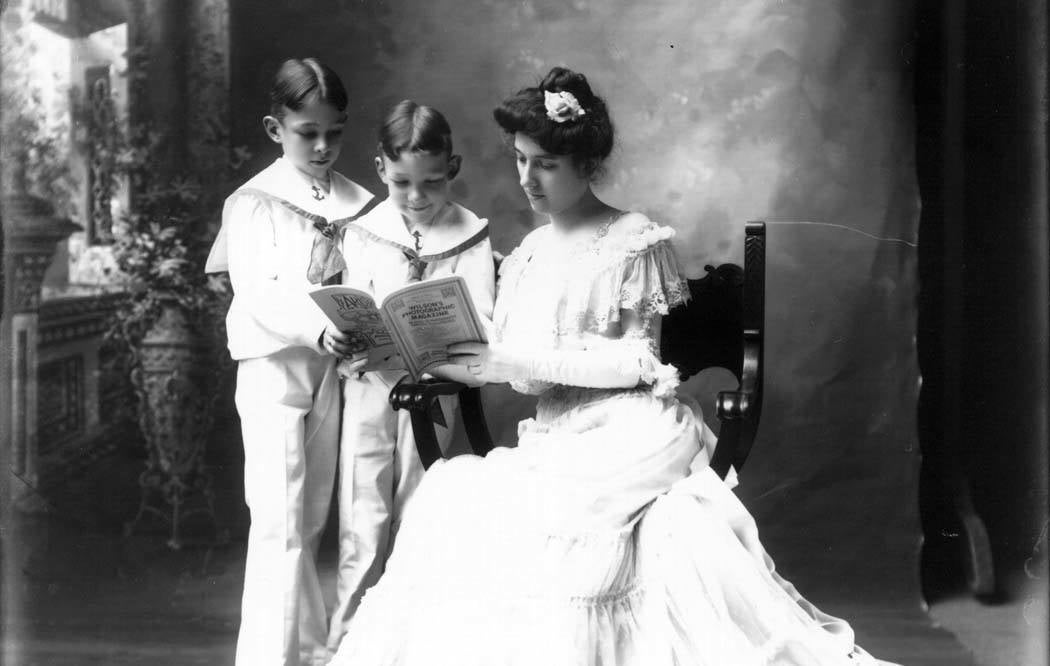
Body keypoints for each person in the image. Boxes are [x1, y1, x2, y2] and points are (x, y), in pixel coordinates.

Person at [329, 67, 896, 665]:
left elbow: (636, 361)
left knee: (566, 530)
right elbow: (523, 376)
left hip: (635, 428)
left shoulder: (633, 237)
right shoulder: (526, 255)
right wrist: (422, 353)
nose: (527, 179)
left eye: (545, 163)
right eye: (520, 160)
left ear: (585, 162)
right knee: (454, 499)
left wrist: (505, 359)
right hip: (555, 435)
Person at [204, 58, 375, 666]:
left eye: (335, 131)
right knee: (277, 518)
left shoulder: (358, 202)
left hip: (333, 369)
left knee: (310, 518)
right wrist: (318, 327)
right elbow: (257, 290)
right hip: (275, 363)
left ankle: (305, 648)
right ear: (276, 129)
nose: (324, 146)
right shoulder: (255, 202)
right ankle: (267, 657)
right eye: (308, 133)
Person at [325, 100, 496, 654]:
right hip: (371, 384)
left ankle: (411, 640)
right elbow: (350, 301)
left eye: (431, 182)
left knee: (419, 502)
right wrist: (347, 335)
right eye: (402, 183)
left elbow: (485, 321)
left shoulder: (471, 234)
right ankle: (348, 639)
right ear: (380, 169)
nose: (418, 197)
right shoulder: (364, 231)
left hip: (437, 386)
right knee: (363, 505)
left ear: (454, 166)